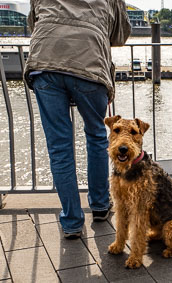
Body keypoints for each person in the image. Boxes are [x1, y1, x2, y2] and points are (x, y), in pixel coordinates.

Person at [24, 0, 131, 239]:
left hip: (46, 62)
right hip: (90, 63)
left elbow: (34, 23)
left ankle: (72, 222)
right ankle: (101, 206)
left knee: (59, 147)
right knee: (95, 136)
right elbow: (120, 35)